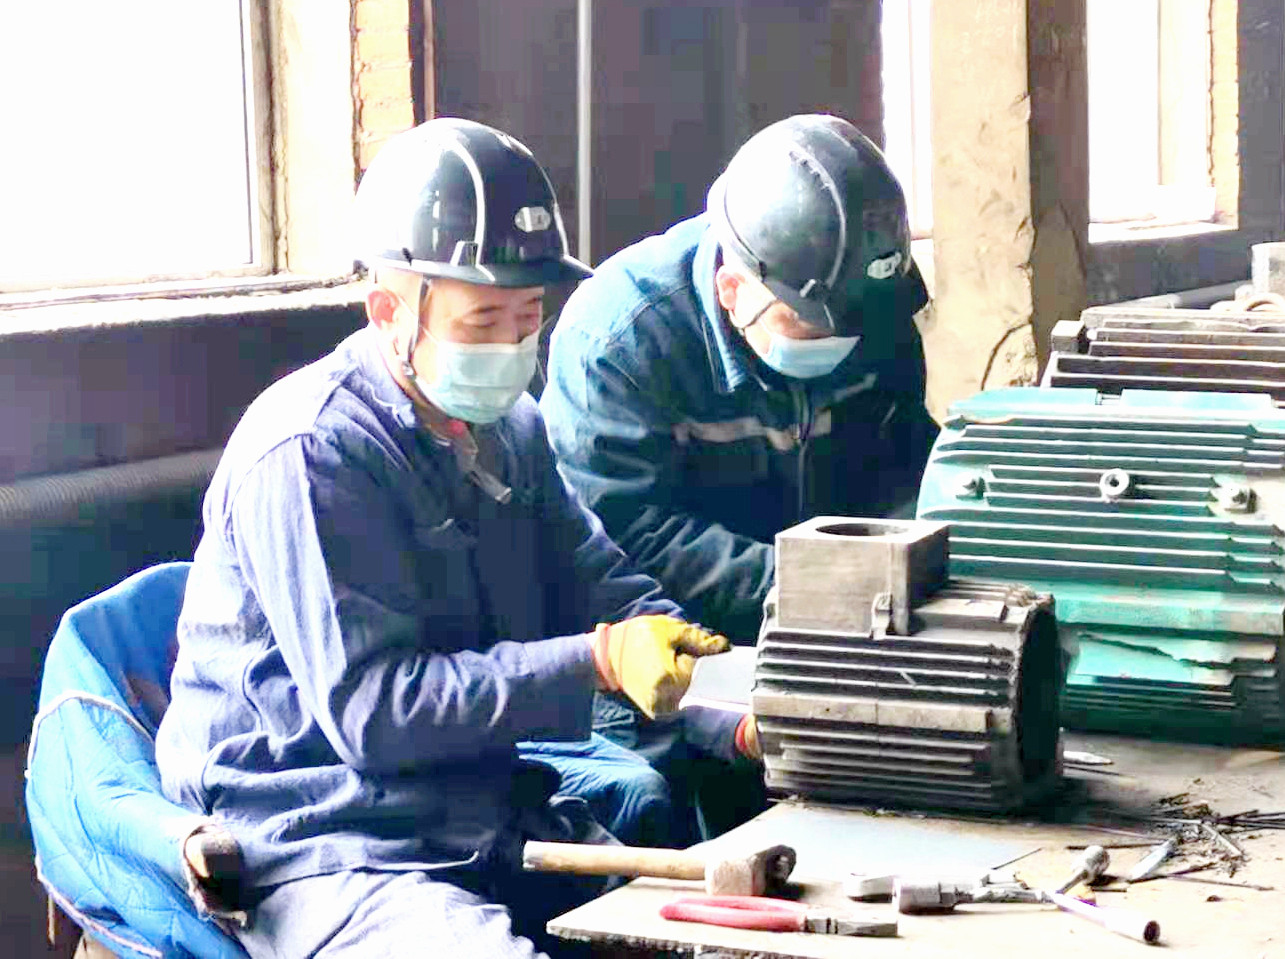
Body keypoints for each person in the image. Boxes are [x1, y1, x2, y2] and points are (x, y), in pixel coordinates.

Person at [154, 118, 742, 959]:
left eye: (528, 316)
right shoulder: (312, 452)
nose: (512, 344)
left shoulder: (511, 430)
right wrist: (597, 660)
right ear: (389, 311)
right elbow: (376, 713)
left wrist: (739, 709)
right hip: (322, 834)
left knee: (697, 939)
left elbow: (607, 591)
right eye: (482, 320)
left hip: (475, 806)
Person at [540, 114, 939, 835]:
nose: (840, 347)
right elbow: (626, 533)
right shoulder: (620, 339)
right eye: (811, 331)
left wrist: (924, 563)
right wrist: (819, 584)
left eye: (852, 333)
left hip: (836, 640)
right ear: (732, 289)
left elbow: (904, 461)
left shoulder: (867, 306)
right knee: (675, 836)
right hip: (668, 661)